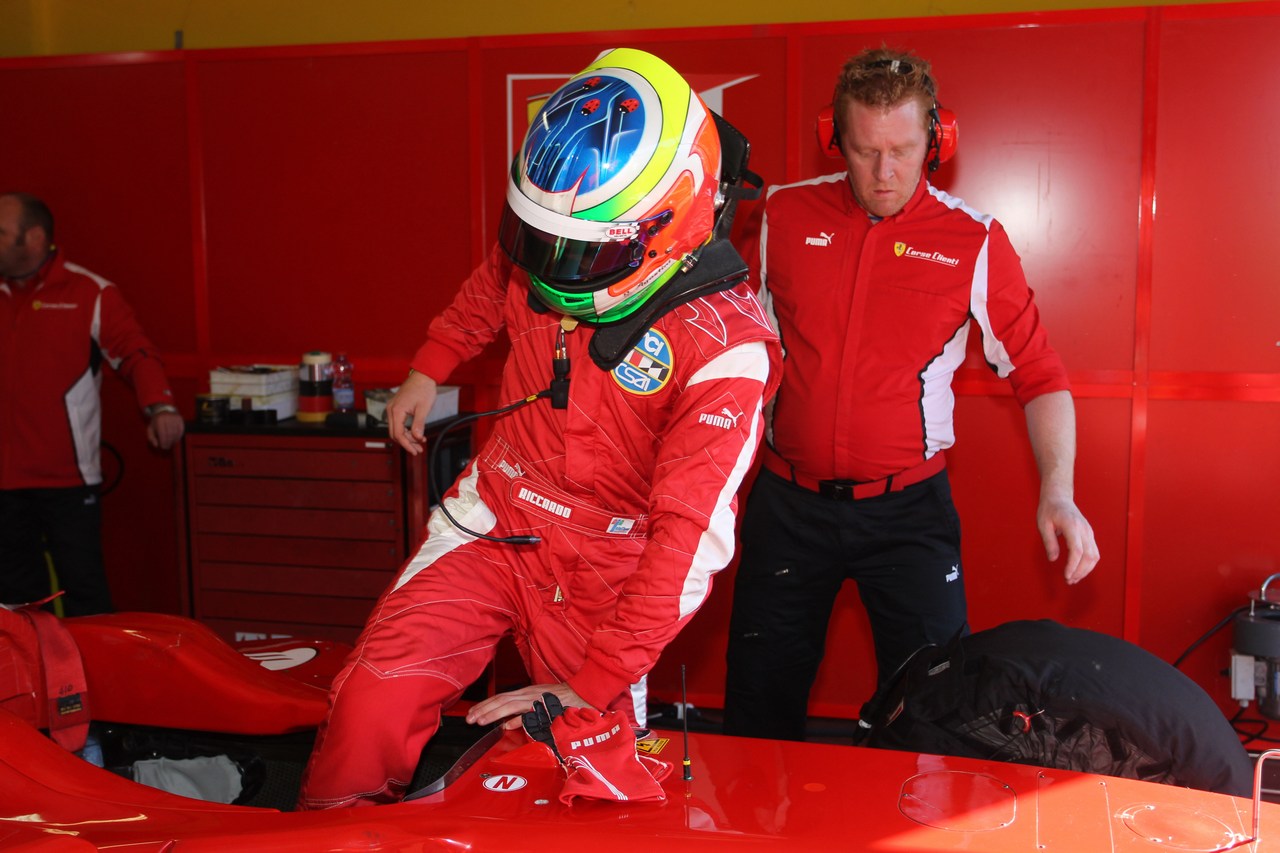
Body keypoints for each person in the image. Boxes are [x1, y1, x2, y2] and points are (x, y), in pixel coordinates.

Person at [297, 47, 780, 808]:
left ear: (672, 217)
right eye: (539, 240)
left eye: (581, 251)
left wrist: (586, 685)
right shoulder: (560, 223)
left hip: (612, 569)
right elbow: (492, 284)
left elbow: (683, 548)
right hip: (498, 510)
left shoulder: (729, 350)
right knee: (368, 706)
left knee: (594, 778)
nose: (553, 267)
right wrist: (431, 365)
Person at [722, 47, 1100, 741]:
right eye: (865, 151)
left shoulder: (974, 239)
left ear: (938, 138)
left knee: (934, 711)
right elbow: (737, 351)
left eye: (902, 149)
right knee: (757, 704)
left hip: (908, 516)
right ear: (835, 138)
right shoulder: (783, 214)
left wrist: (1059, 490)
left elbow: (1040, 376)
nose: (884, 172)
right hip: (788, 508)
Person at [0, 192, 184, 616]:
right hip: (5, 487)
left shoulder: (89, 292)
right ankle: (26, 683)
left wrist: (160, 408)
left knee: (84, 595)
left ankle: (94, 682)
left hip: (67, 482)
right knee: (15, 605)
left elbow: (136, 353)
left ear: (34, 237)